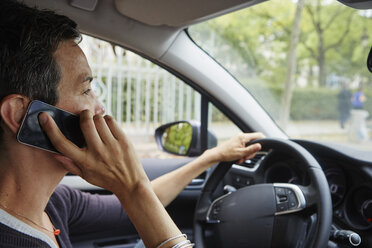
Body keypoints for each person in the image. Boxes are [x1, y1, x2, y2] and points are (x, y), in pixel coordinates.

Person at [0, 1, 264, 247]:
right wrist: (133, 186)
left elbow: (138, 206)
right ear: (20, 114)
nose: (100, 108)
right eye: (86, 90)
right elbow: (138, 199)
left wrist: (211, 157)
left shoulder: (54, 203)